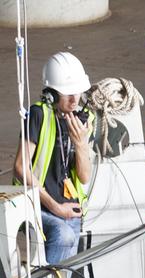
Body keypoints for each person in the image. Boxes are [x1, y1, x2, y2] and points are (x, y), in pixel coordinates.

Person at [13, 53, 94, 265]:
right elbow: (21, 168)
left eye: (77, 92)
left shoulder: (83, 120)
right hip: (38, 206)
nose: (74, 99)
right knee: (64, 236)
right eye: (67, 93)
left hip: (71, 209)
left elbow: (84, 177)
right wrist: (56, 207)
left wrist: (81, 144)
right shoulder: (38, 115)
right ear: (51, 94)